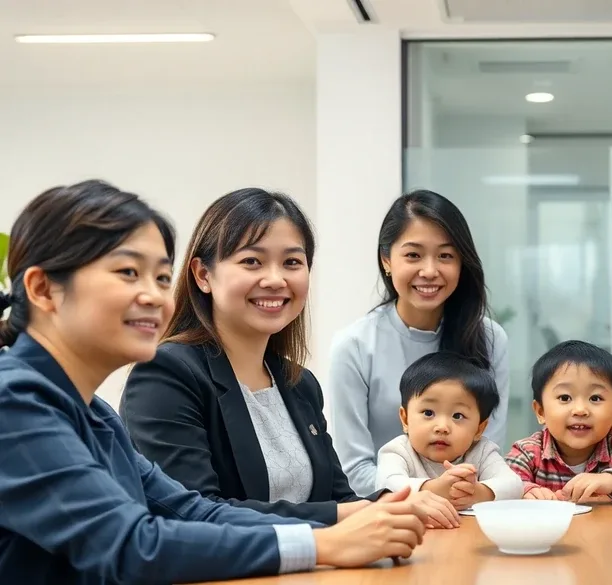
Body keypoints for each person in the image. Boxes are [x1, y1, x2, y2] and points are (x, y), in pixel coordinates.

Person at [0, 181, 429, 584]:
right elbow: (131, 543)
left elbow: (191, 510)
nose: (154, 296)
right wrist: (323, 543)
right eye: (129, 272)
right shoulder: (14, 400)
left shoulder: (93, 412)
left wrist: (358, 518)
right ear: (43, 289)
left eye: (162, 277)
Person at [119, 188, 458, 530]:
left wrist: (403, 502)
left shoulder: (299, 383)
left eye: (292, 262)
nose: (275, 279)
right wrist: (347, 515)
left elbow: (340, 498)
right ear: (203, 275)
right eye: (252, 261)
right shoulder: (168, 373)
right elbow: (193, 514)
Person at [329, 189, 510, 496]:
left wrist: (466, 493)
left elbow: (490, 452)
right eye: (413, 255)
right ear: (387, 260)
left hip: (468, 512)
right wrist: (426, 492)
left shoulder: (490, 339)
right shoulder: (354, 346)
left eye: (445, 256)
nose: (429, 271)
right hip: (388, 511)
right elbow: (355, 471)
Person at [505, 340, 612, 503]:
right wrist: (526, 490)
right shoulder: (529, 451)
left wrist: (611, 480)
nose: (580, 410)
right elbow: (503, 482)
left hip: (606, 529)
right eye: (564, 398)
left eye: (595, 398)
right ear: (541, 411)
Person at [375, 352, 523, 508]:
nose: (442, 427)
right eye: (428, 413)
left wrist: (477, 492)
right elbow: (386, 485)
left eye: (457, 416)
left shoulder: (481, 452)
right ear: (405, 419)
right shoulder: (397, 451)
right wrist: (434, 489)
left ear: (479, 428)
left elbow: (514, 485)